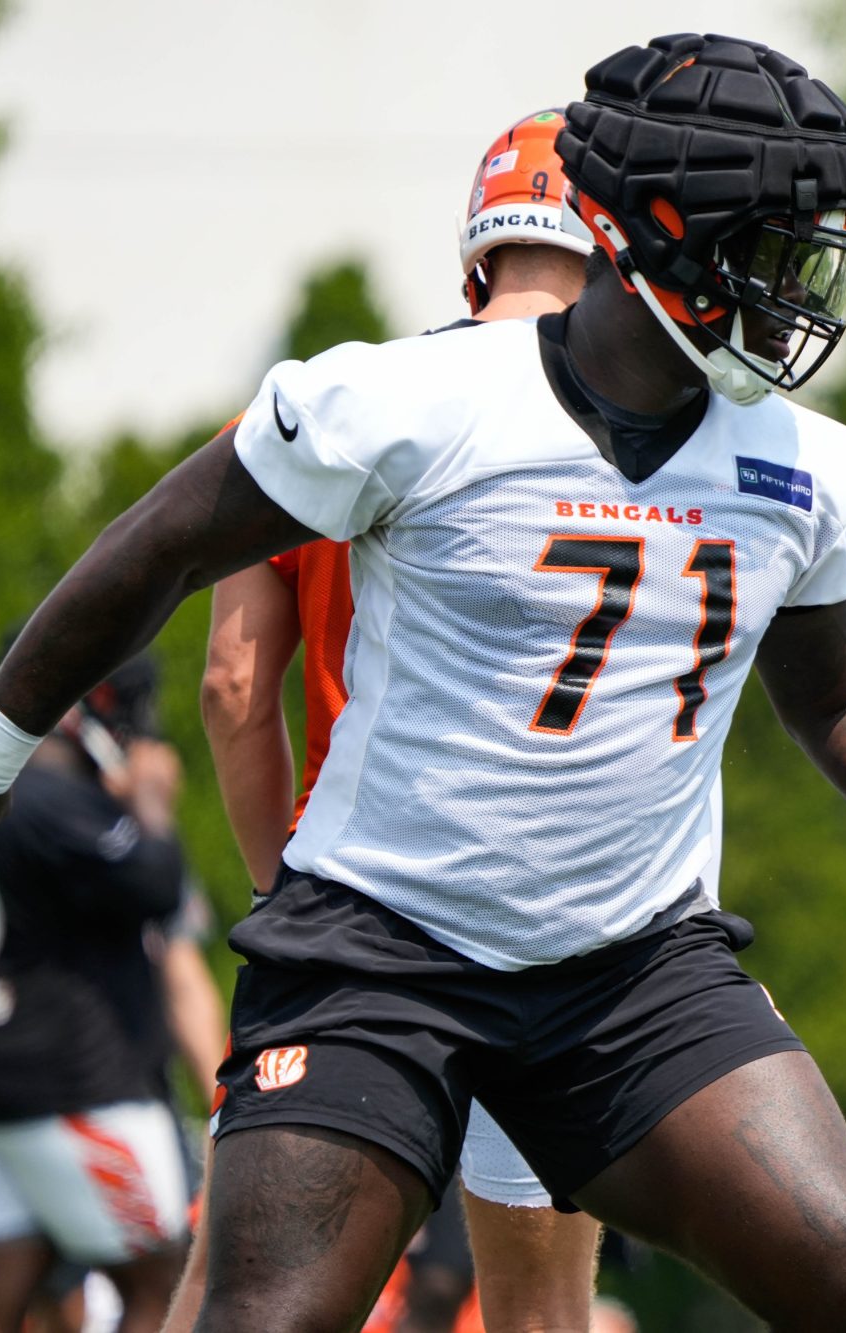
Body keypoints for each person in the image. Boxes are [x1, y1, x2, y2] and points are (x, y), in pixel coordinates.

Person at [0, 34, 846, 1333]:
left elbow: (840, 692)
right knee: (265, 1319)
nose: (793, 294)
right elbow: (159, 548)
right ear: (645, 230)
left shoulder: (797, 465)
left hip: (631, 969)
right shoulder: (412, 403)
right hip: (381, 953)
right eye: (766, 251)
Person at [189, 106, 603, 1333]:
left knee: (236, 1293)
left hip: (356, 913)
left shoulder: (337, 406)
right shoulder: (636, 440)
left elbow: (230, 690)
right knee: (536, 1309)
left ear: (475, 255)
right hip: (552, 924)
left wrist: (286, 896)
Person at [0, 654, 189, 1333]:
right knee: (166, 1280)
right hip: (68, 1083)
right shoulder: (52, 798)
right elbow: (157, 884)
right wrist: (152, 804)